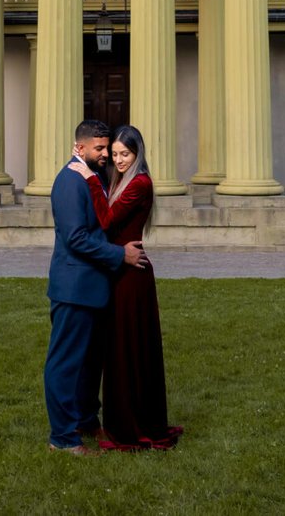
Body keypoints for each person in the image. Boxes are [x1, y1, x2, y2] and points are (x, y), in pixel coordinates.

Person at [44, 119, 146, 456]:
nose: (106, 154)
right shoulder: (69, 181)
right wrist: (121, 255)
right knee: (65, 364)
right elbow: (76, 239)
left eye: (107, 148)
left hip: (95, 288)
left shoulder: (95, 176)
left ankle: (86, 421)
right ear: (80, 147)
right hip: (74, 289)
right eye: (99, 148)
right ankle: (62, 438)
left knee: (90, 364)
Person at [83, 124, 183, 451]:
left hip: (132, 276)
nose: (118, 160)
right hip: (121, 269)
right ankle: (127, 419)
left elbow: (107, 220)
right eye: (114, 154)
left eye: (125, 154)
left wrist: (89, 179)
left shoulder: (140, 183)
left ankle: (133, 425)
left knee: (130, 347)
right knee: (122, 347)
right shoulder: (121, 180)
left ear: (137, 153)